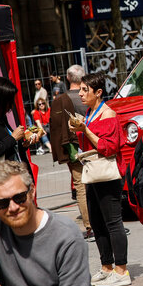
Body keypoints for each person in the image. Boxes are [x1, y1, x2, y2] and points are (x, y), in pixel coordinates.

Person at [71, 72, 130, 286]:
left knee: (113, 222)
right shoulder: (90, 112)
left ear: (98, 92)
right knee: (96, 221)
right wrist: (79, 129)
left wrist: (84, 129)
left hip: (107, 174)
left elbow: (108, 147)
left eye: (85, 90)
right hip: (93, 172)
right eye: (81, 89)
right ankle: (107, 266)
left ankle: (121, 270)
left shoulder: (108, 114)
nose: (81, 93)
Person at [50, 65, 92, 239]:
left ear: (68, 78)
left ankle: (90, 226)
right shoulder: (88, 96)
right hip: (93, 144)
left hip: (75, 148)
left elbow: (56, 128)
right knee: (95, 184)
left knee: (81, 186)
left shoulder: (62, 99)